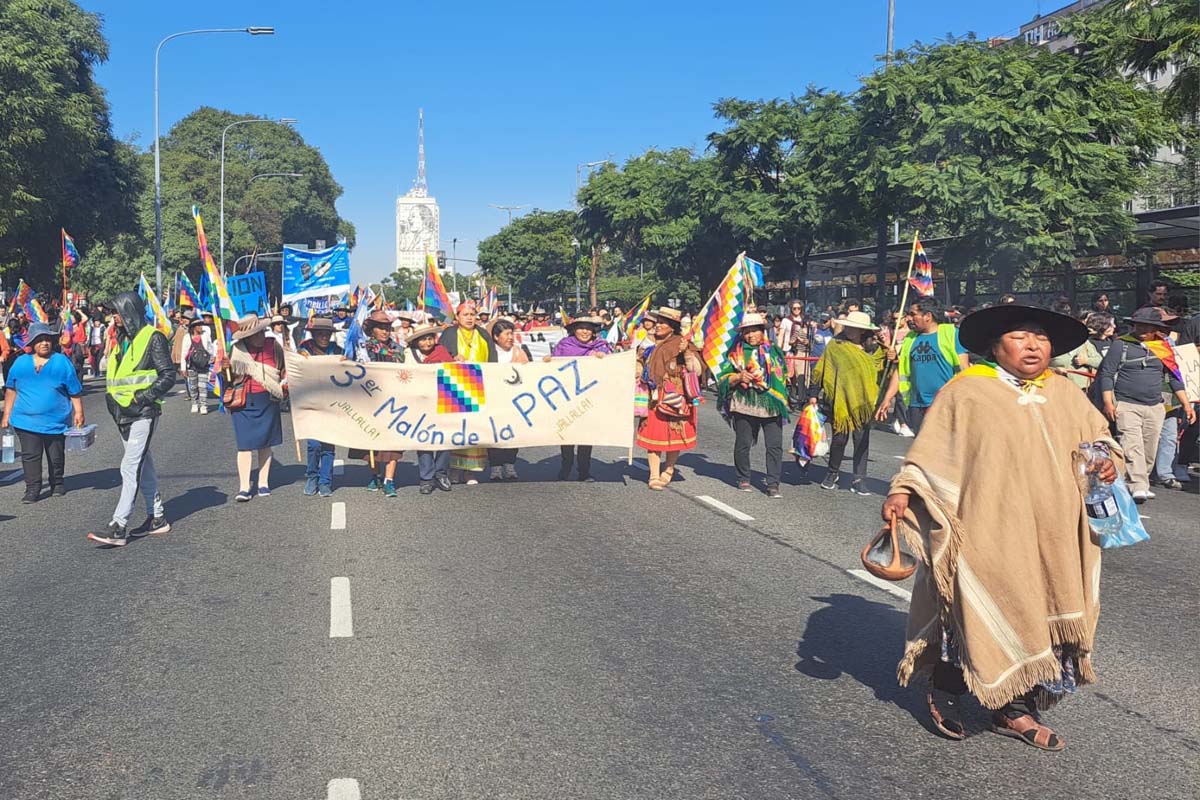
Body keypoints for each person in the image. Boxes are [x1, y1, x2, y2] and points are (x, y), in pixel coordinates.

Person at [883, 304, 1121, 752]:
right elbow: (931, 453)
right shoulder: (968, 392)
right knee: (979, 600)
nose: (1033, 346)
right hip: (988, 524)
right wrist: (904, 489)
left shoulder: (1065, 392)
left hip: (1055, 532)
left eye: (1041, 339)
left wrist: (1106, 461)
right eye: (1020, 337)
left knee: (1043, 604)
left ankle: (1014, 706)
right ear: (995, 346)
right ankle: (952, 685)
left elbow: (1100, 440)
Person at [86, 292, 175, 546]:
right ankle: (157, 518)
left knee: (129, 466)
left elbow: (167, 375)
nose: (113, 317)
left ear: (129, 312)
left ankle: (118, 526)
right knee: (143, 465)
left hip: (143, 411)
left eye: (116, 312)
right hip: (122, 413)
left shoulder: (153, 337)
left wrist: (142, 397)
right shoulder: (121, 339)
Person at [1096, 306, 1193, 502]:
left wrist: (1187, 405)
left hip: (1155, 406)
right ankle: (1137, 484)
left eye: (1147, 326)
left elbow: (1174, 378)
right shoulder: (1120, 345)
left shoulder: (1163, 349)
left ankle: (1141, 480)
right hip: (1126, 404)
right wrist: (1108, 402)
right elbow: (1106, 374)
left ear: (1155, 328)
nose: (1141, 329)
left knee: (1149, 448)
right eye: (1138, 325)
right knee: (1132, 445)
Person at [1, 322, 84, 503]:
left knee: (55, 455)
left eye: (47, 339)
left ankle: (57, 482)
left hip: (55, 420)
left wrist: (78, 412)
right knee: (31, 456)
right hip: (25, 420)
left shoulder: (62, 362)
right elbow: (11, 389)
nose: (44, 343)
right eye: (40, 340)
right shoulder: (21, 363)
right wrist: (6, 415)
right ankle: (32, 489)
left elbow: (74, 390)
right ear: (32, 343)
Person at [717, 312, 789, 497]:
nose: (750, 335)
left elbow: (782, 374)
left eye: (754, 331)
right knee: (743, 442)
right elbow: (724, 377)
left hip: (771, 403)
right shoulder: (735, 353)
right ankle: (743, 477)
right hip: (744, 401)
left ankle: (773, 483)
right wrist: (739, 377)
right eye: (746, 332)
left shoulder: (773, 350)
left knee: (774, 445)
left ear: (762, 331)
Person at [806, 311, 879, 494]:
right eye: (848, 326)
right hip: (840, 400)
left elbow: (883, 369)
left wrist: (891, 356)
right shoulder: (836, 345)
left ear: (862, 331)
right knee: (839, 439)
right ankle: (832, 472)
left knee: (861, 440)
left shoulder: (874, 350)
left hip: (863, 402)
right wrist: (813, 394)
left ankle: (859, 478)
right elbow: (823, 370)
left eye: (854, 328)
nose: (849, 330)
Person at [876, 297, 969, 434]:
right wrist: (887, 398)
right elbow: (901, 370)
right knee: (923, 449)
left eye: (913, 315)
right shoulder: (910, 338)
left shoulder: (951, 334)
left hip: (945, 404)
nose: (909, 319)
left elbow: (964, 370)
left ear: (928, 316)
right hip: (917, 405)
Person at [637, 308, 702, 490]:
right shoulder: (648, 342)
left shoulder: (682, 343)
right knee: (653, 434)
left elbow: (695, 371)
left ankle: (669, 469)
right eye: (657, 321)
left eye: (663, 322)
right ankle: (654, 474)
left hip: (676, 397)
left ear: (672, 327)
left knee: (674, 434)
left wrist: (686, 353)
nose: (658, 325)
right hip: (653, 396)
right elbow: (639, 362)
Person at [227, 314, 287, 503]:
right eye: (258, 333)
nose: (262, 335)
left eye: (262, 331)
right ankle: (244, 487)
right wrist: (222, 368)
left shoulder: (273, 345)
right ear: (247, 337)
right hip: (243, 401)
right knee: (244, 446)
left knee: (265, 443)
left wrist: (285, 384)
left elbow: (285, 368)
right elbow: (226, 379)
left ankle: (263, 482)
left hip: (267, 398)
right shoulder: (235, 350)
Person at [350, 310, 406, 497]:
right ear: (372, 330)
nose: (384, 331)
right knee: (371, 440)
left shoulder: (398, 349)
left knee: (393, 442)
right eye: (380, 328)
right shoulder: (362, 349)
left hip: (393, 401)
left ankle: (389, 480)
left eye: (387, 327)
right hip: (370, 401)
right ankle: (374, 474)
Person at [549, 316, 611, 481]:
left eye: (588, 328)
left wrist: (603, 359)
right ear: (573, 330)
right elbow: (553, 368)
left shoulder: (601, 346)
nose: (585, 331)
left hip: (590, 397)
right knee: (567, 433)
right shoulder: (564, 345)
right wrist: (548, 362)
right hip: (567, 396)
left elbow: (612, 367)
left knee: (586, 434)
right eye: (581, 328)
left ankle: (584, 470)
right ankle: (566, 467)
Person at [440, 300, 495, 484]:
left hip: (479, 386)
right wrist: (452, 358)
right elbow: (439, 356)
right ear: (457, 317)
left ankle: (470, 471)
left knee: (475, 428)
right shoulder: (449, 333)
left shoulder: (483, 334)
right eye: (465, 315)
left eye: (472, 315)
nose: (470, 319)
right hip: (454, 386)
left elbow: (492, 360)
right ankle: (454, 469)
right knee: (456, 428)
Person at [296, 317, 342, 497]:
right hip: (311, 403)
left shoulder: (338, 351)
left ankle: (325, 481)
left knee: (328, 445)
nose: (323, 336)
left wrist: (346, 360)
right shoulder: (304, 350)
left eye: (327, 333)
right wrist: (298, 359)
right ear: (313, 334)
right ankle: (312, 476)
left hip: (332, 403)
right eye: (320, 333)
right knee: (314, 445)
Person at [408, 324, 454, 495]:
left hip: (442, 400)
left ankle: (441, 473)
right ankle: (426, 478)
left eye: (430, 338)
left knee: (444, 438)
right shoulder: (409, 356)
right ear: (416, 342)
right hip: (419, 403)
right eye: (423, 339)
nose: (427, 342)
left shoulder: (442, 352)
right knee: (424, 439)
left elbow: (451, 372)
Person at [487, 318, 531, 480]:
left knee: (514, 433)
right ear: (496, 337)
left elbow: (529, 373)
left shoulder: (519, 352)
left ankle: (510, 464)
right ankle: (495, 467)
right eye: (506, 334)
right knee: (494, 433)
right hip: (493, 400)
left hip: (514, 401)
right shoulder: (489, 353)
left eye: (512, 333)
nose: (510, 337)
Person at [179, 317, 215, 414]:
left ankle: (203, 405)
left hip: (204, 364)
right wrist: (183, 368)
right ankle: (194, 403)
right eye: (198, 325)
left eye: (201, 325)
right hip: (192, 365)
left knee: (203, 386)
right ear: (194, 327)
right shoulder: (187, 337)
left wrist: (213, 357)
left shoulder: (206, 335)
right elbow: (184, 353)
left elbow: (210, 347)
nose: (201, 327)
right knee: (193, 386)